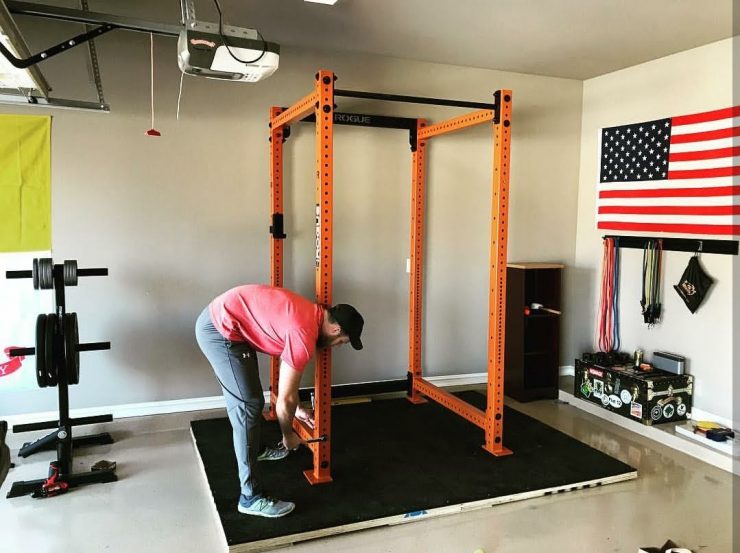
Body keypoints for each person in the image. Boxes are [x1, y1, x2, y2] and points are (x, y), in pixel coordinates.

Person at [194, 284, 364, 518]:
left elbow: (288, 395)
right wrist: (289, 436)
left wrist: (298, 410)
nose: (338, 346)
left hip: (230, 324)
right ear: (335, 329)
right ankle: (250, 497)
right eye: (342, 341)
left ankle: (259, 450)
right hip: (219, 330)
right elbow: (285, 399)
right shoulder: (303, 334)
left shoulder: (310, 314)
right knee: (247, 407)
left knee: (252, 400)